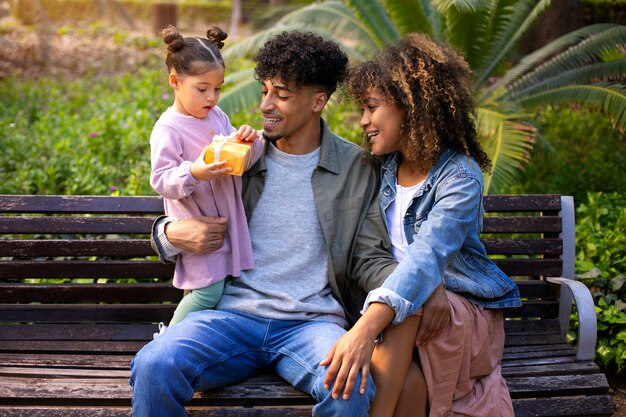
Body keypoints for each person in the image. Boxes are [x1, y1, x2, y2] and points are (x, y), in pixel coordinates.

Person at [130, 30, 402, 417]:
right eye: (264, 92)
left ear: (317, 101)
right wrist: (168, 234)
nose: (265, 106)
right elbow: (183, 196)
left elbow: (368, 258)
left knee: (350, 388)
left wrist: (413, 285)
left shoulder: (356, 168)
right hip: (231, 316)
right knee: (154, 365)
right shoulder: (238, 155)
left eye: (282, 95)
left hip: (311, 324)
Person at [336, 33, 523, 416]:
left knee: (412, 307)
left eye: (372, 107)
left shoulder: (460, 176)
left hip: (458, 311)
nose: (363, 120)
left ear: (411, 106)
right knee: (408, 385)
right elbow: (369, 251)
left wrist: (366, 327)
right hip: (402, 306)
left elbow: (430, 252)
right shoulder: (381, 168)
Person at [149, 25, 262, 333]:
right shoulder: (169, 129)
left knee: (220, 290)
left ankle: (193, 344)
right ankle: (168, 340)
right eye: (202, 89)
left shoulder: (216, 116)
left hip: (225, 227)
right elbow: (161, 179)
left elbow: (239, 159)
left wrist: (250, 141)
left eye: (218, 88)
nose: (212, 97)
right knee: (206, 291)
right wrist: (194, 172)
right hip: (199, 231)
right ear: (175, 82)